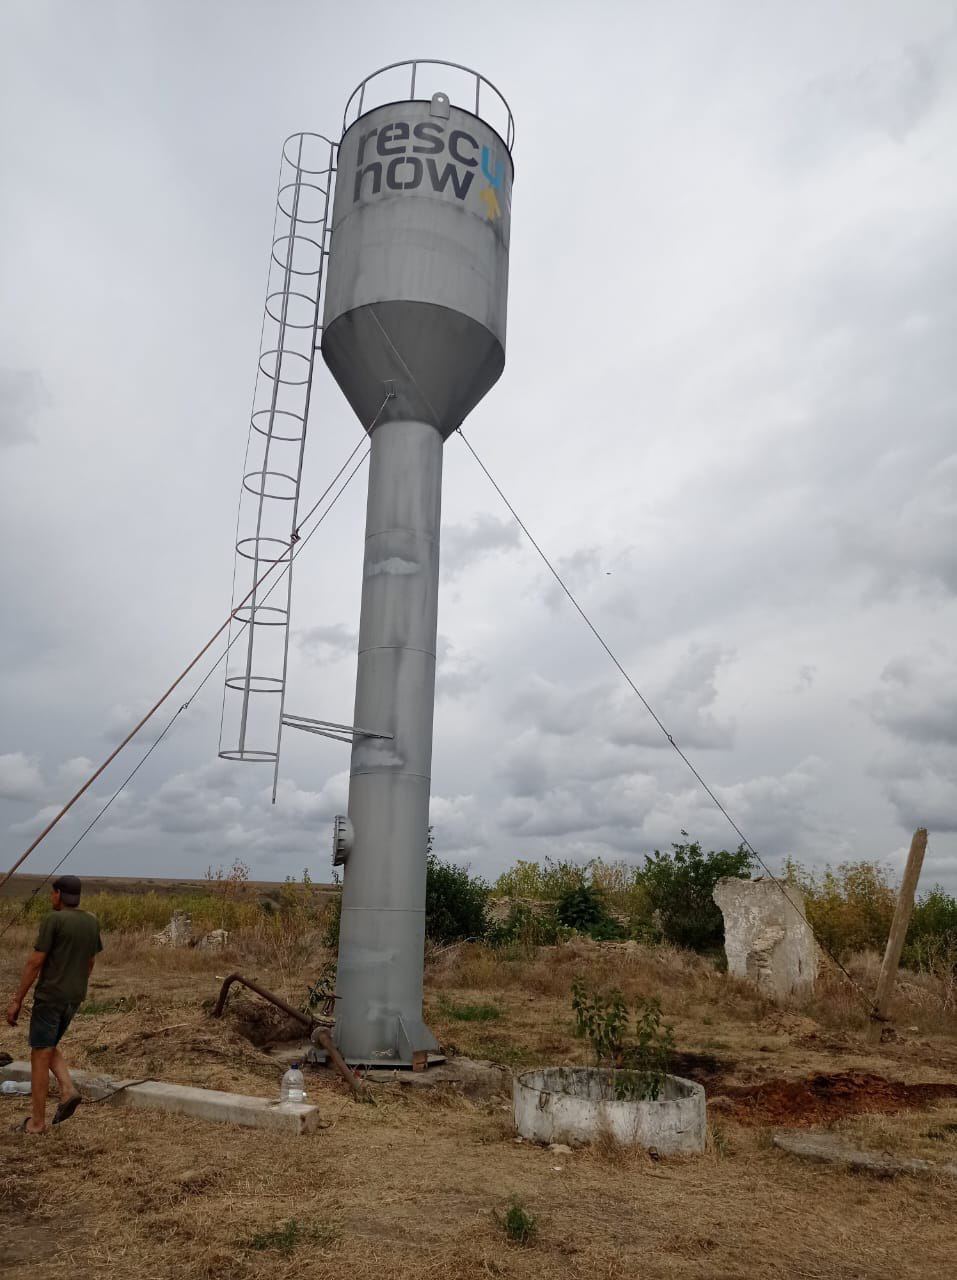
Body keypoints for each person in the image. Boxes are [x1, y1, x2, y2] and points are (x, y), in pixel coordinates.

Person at [5, 875, 103, 1134]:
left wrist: (16, 1000)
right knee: (47, 1046)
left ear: (59, 894)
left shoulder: (54, 920)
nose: (51, 897)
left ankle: (36, 1123)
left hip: (50, 997)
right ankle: (68, 1089)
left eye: (52, 893)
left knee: (39, 1054)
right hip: (74, 997)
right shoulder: (91, 921)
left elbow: (35, 962)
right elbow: (90, 962)